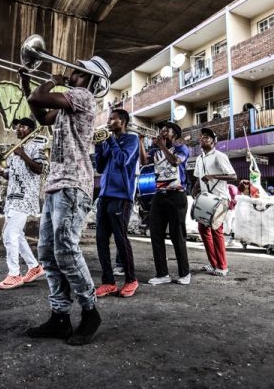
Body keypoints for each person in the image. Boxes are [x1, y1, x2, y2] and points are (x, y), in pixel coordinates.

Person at [19, 55, 110, 346]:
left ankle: (89, 311)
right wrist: (26, 85)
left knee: (66, 250)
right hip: (57, 184)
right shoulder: (68, 105)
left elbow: (41, 95)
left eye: (78, 72)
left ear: (91, 80)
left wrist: (51, 82)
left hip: (73, 184)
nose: (71, 74)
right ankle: (60, 316)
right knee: (47, 252)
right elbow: (40, 113)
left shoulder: (83, 96)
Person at [0, 117, 46, 290]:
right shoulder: (15, 150)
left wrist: (23, 154)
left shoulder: (36, 146)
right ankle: (34, 267)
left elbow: (39, 169)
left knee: (9, 235)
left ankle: (14, 274)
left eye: (22, 126)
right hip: (12, 198)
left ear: (30, 129)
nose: (18, 129)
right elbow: (15, 174)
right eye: (17, 127)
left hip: (24, 198)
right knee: (17, 235)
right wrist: (3, 173)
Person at [93, 109, 140, 298]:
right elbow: (101, 167)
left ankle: (131, 280)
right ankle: (108, 282)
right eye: (108, 119)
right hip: (104, 195)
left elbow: (122, 160)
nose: (109, 122)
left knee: (121, 238)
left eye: (113, 119)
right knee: (101, 239)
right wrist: (98, 146)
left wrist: (110, 141)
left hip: (121, 196)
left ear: (123, 122)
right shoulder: (107, 141)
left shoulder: (132, 140)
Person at [139, 121, 191, 285]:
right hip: (159, 196)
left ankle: (185, 274)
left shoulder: (181, 148)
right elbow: (143, 162)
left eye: (166, 130)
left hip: (177, 196)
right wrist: (141, 141)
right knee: (155, 235)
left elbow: (175, 161)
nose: (162, 132)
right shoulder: (155, 151)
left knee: (177, 236)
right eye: (161, 130)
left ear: (174, 134)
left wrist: (162, 146)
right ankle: (162, 274)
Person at [191, 128, 237, 277]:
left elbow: (233, 175)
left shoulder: (219, 156)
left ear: (213, 141)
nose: (203, 139)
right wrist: (195, 189)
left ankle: (222, 267)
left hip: (220, 198)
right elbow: (199, 177)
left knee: (217, 230)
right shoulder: (199, 158)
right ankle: (213, 263)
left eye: (206, 137)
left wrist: (213, 176)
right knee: (203, 229)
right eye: (201, 137)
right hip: (206, 198)